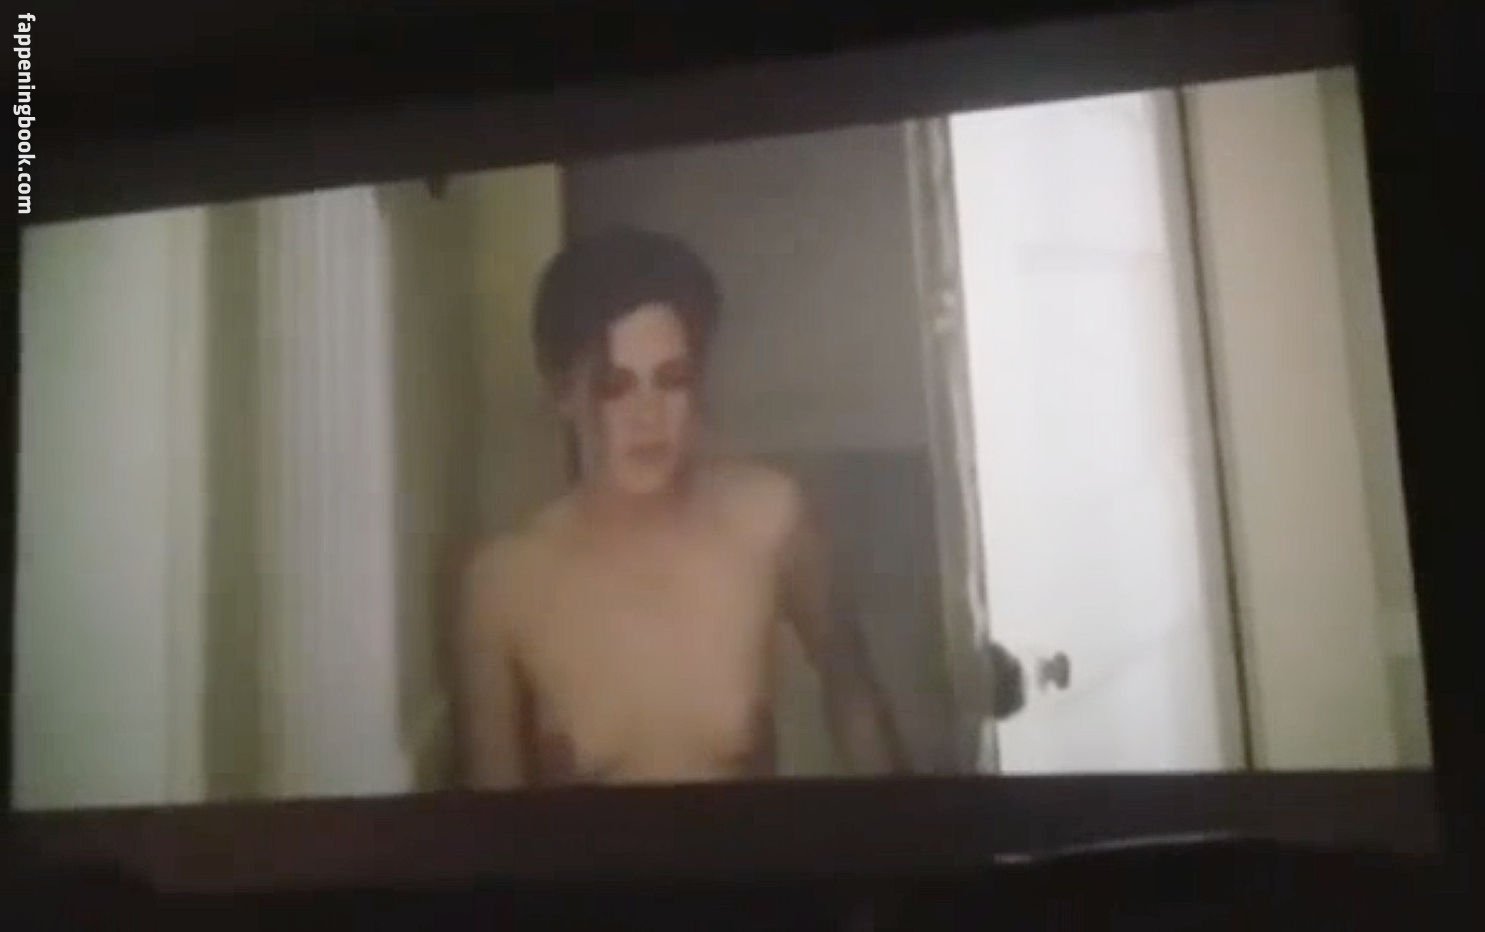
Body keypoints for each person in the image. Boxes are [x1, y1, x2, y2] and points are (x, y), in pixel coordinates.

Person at [454, 227, 906, 787]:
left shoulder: (769, 519)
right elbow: (491, 812)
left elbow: (857, 701)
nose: (648, 416)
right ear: (564, 393)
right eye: (616, 386)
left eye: (671, 380)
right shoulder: (503, 586)